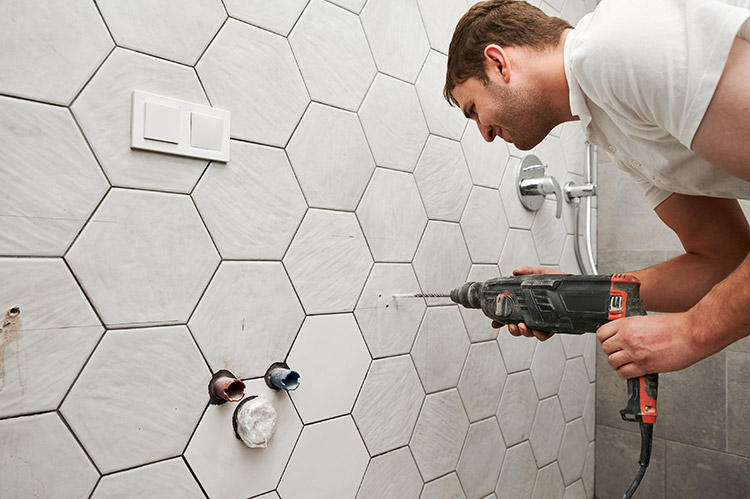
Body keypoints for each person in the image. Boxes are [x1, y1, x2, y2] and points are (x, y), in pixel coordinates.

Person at [443, 0, 750, 379]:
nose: (485, 133)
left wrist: (692, 331)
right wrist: (579, 292)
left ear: (499, 63)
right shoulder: (609, 126)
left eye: (474, 109)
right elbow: (723, 260)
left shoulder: (615, 46)